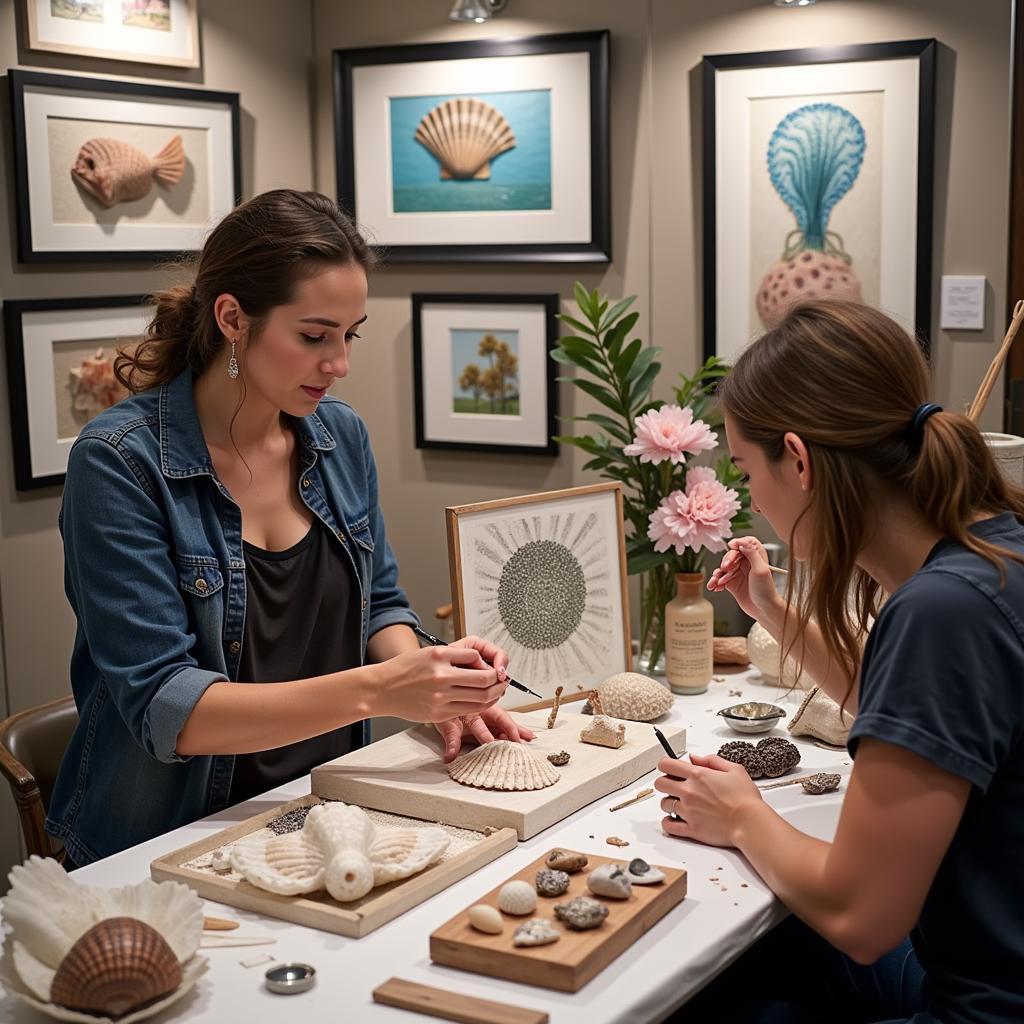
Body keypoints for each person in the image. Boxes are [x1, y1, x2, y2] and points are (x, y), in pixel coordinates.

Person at [47, 189, 533, 868]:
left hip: (329, 813)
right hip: (168, 840)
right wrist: (383, 688)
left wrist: (436, 685)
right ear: (232, 319)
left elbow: (380, 605)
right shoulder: (119, 464)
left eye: (349, 333)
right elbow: (169, 707)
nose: (339, 363)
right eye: (314, 335)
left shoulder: (340, 436)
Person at [656, 300, 1024, 1024]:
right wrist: (773, 613)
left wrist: (740, 817)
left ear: (798, 460)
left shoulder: (943, 612)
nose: (752, 502)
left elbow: (862, 918)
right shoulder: (994, 552)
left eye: (746, 471)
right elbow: (912, 713)